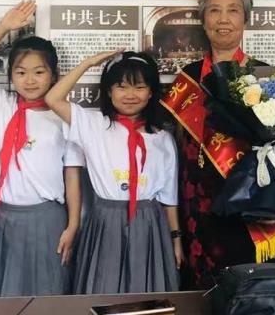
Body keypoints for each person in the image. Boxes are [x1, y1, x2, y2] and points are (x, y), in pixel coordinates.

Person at [161, 0, 275, 290]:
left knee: (252, 293)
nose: (223, 19)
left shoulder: (265, 76)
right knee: (200, 296)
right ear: (203, 20)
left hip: (250, 205)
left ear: (245, 19)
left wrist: (274, 203)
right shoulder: (188, 78)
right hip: (197, 206)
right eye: (214, 10)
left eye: (233, 10)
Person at [0, 0, 83, 297]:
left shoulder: (64, 117)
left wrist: (73, 226)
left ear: (54, 74)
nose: (29, 80)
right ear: (11, 76)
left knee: (44, 298)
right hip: (2, 218)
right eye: (21, 72)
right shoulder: (0, 106)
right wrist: (4, 26)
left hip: (47, 221)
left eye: (39, 72)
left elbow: (72, 176)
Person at [45, 50, 181, 294]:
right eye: (121, 87)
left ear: (151, 92)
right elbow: (53, 98)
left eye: (139, 87)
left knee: (147, 293)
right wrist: (89, 62)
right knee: (103, 289)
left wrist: (176, 240)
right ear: (109, 91)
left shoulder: (162, 138)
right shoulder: (93, 125)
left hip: (149, 224)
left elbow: (168, 199)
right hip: (105, 220)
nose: (130, 95)